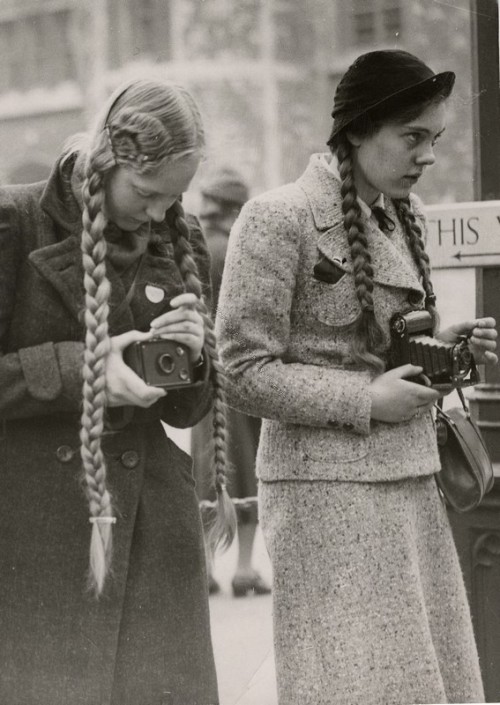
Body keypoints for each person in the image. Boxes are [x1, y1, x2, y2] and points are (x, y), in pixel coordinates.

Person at [216, 50, 498, 704]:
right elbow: (241, 370)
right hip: (326, 494)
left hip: (410, 483)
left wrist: (439, 347)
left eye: (435, 138)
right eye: (413, 136)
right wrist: (367, 398)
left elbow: (375, 339)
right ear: (361, 129)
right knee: (353, 683)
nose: (428, 155)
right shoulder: (278, 217)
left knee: (419, 681)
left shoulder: (402, 215)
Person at [0, 78, 235, 705]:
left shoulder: (179, 244)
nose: (159, 214)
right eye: (147, 193)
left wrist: (190, 356)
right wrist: (87, 369)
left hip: (154, 534)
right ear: (109, 159)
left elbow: (186, 410)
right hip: (40, 532)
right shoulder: (13, 223)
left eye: (174, 197)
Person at [191, 167, 270, 597]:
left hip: (202, 376)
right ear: (236, 208)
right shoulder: (236, 246)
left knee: (208, 469)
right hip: (239, 374)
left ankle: (204, 564)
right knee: (244, 471)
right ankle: (243, 568)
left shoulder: (194, 245)